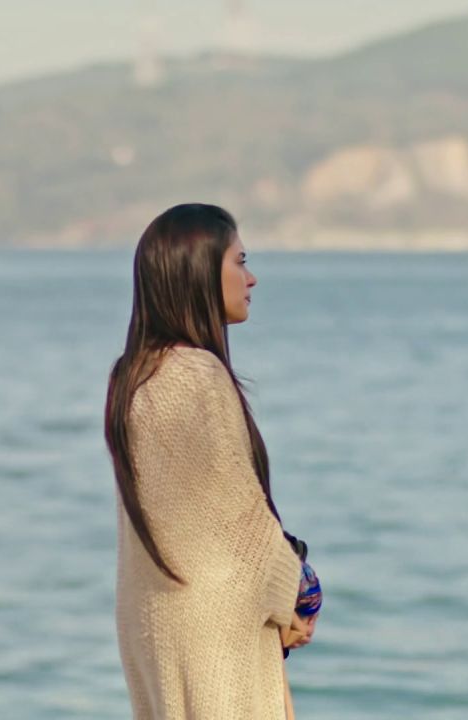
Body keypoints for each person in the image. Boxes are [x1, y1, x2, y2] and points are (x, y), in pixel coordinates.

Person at [105, 203, 317, 719]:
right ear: (198, 272)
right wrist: (300, 591)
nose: (252, 277)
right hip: (214, 632)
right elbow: (244, 531)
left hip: (156, 617)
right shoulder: (196, 375)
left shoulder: (133, 375)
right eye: (239, 261)